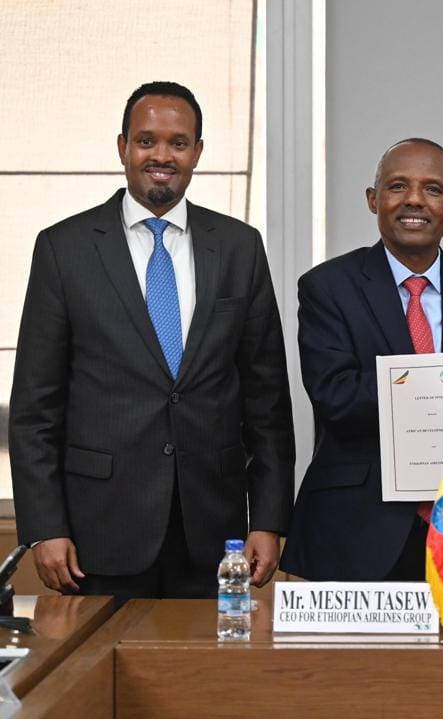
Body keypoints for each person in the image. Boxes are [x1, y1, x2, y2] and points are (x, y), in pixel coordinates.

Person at [9, 81, 295, 601]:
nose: (161, 155)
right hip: (97, 533)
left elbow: (268, 402)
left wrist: (270, 518)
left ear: (197, 153)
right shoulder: (63, 249)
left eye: (178, 143)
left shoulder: (239, 248)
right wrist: (43, 526)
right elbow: (35, 409)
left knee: (206, 681)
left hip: (216, 536)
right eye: (146, 141)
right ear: (122, 147)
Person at [280, 139, 443, 596]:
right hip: (353, 533)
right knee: (353, 672)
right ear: (373, 199)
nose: (414, 200)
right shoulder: (327, 288)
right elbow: (337, 397)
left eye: (432, 189)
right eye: (398, 186)